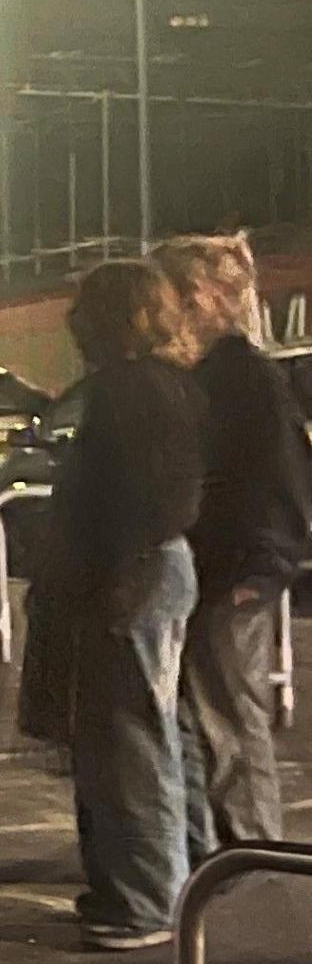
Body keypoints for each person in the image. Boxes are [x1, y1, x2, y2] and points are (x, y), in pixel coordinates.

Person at [52, 259, 210, 949]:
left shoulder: (121, 392)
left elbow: (129, 496)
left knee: (128, 739)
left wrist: (97, 573)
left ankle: (143, 899)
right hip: (162, 563)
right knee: (159, 728)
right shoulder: (172, 384)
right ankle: (181, 872)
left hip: (132, 571)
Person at [154, 234, 301, 848]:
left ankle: (253, 849)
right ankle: (228, 843)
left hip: (234, 568)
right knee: (214, 713)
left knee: (233, 719)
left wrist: (260, 569)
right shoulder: (221, 374)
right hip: (226, 563)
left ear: (199, 298)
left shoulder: (239, 378)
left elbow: (270, 480)